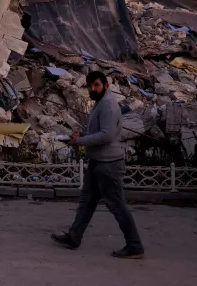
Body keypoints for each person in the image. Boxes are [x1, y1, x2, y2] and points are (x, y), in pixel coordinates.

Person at [51, 71, 144, 259]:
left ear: (106, 85)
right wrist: (81, 134)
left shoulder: (108, 105)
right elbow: (97, 129)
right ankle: (74, 237)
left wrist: (80, 142)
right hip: (98, 162)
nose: (93, 89)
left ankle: (135, 245)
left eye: (96, 85)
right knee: (87, 202)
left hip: (108, 164)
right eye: (90, 85)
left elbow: (107, 135)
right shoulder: (101, 102)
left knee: (117, 205)